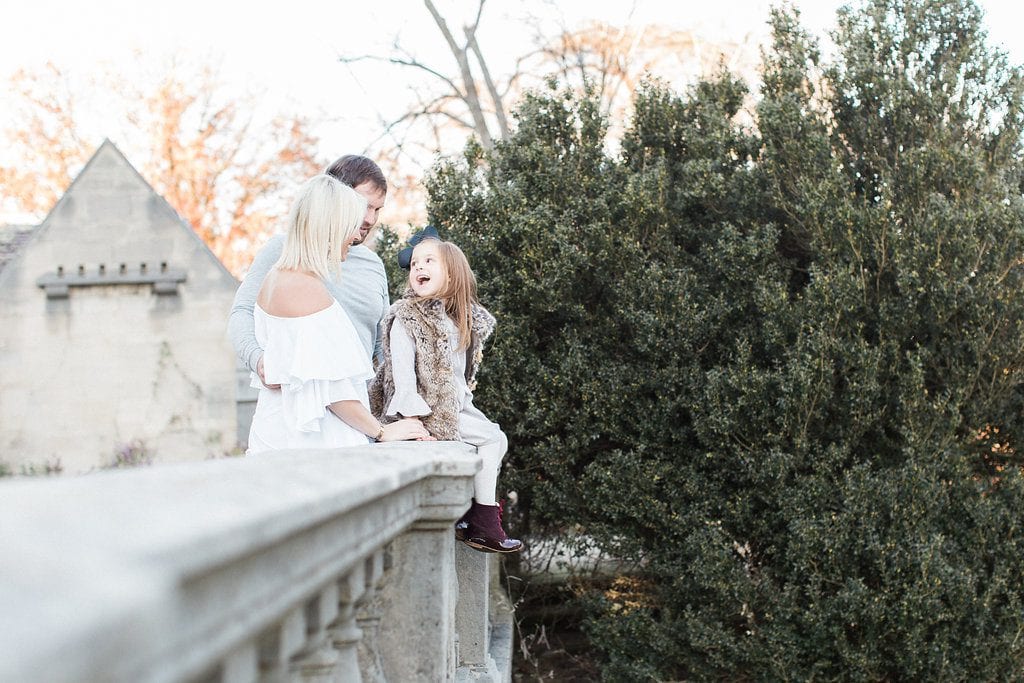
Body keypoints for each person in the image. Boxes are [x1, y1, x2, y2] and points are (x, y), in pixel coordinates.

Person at [246, 174, 430, 453]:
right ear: (329, 227)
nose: (357, 235)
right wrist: (381, 431)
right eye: (350, 226)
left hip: (280, 439)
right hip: (313, 451)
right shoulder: (303, 287)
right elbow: (332, 391)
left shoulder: (278, 278)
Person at [370, 233, 522, 553]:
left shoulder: (460, 321)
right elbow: (402, 378)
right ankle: (484, 521)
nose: (418, 268)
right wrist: (413, 421)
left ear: (451, 275)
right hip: (429, 411)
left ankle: (467, 513)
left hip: (456, 408)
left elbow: (459, 380)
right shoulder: (406, 319)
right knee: (492, 438)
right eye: (414, 264)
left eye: (428, 262)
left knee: (499, 439)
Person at [229, 155, 390, 388]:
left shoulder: (373, 265)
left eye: (378, 209)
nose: (370, 219)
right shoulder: (284, 250)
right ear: (334, 198)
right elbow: (242, 312)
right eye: (364, 206)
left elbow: (383, 344)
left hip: (356, 413)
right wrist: (258, 360)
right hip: (296, 406)